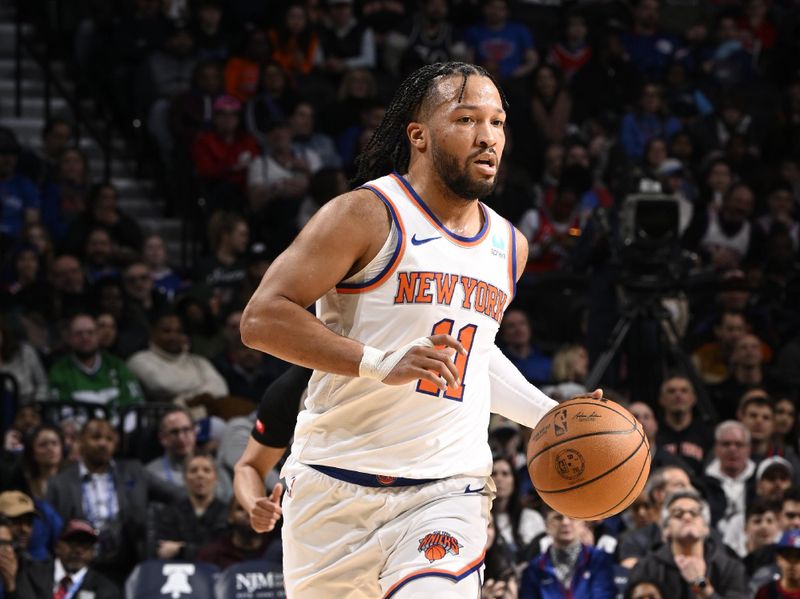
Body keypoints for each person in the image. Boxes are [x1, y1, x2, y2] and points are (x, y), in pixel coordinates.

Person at [235, 62, 592, 597]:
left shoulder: (508, 245)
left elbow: (474, 358)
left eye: (497, 122)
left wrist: (552, 416)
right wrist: (381, 363)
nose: (488, 136)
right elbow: (262, 319)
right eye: (468, 119)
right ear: (418, 135)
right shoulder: (365, 214)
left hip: (446, 491)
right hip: (332, 485)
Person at [627, 489, 747, 599]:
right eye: (678, 513)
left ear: (706, 527)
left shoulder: (730, 567)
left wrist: (700, 585)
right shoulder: (646, 568)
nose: (687, 517)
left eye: (694, 513)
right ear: (665, 529)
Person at [47, 313, 145, 409]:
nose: (85, 337)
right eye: (78, 333)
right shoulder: (60, 371)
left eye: (90, 332)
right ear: (69, 338)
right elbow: (58, 409)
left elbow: (136, 402)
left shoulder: (117, 366)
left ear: (98, 335)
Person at [519, 507, 616, 599]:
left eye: (572, 517)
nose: (565, 522)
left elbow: (604, 595)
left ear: (583, 524)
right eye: (558, 517)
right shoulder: (533, 569)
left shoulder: (599, 560)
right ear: (546, 526)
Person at [153, 453, 228, 561]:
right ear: (184, 478)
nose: (200, 475)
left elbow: (224, 552)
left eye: (206, 470)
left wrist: (181, 548)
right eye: (193, 470)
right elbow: (164, 551)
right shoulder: (170, 513)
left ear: (215, 478)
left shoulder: (227, 513)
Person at [755, 529, 800, 599]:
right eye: (787, 556)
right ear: (778, 559)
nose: (792, 563)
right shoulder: (765, 592)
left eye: (798, 557)